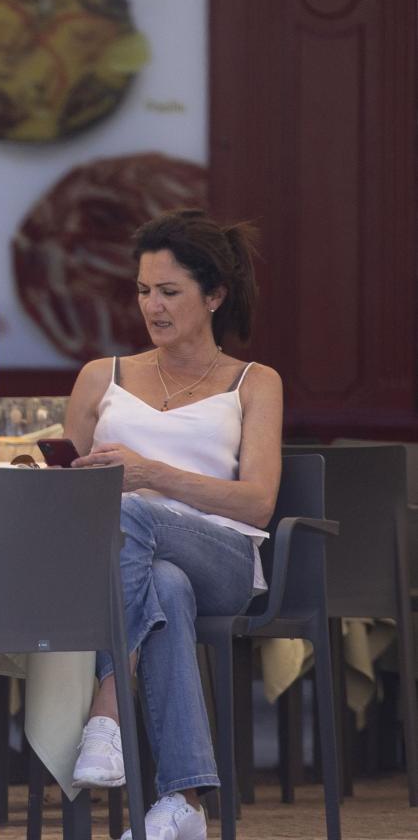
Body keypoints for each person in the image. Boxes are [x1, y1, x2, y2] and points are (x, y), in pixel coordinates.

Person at [63, 210, 279, 840]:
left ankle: (109, 709)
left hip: (225, 556)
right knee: (164, 585)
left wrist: (151, 475)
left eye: (169, 292)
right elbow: (62, 482)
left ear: (214, 296)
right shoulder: (100, 377)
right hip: (127, 565)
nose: (151, 306)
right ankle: (182, 804)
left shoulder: (254, 383)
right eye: (142, 290)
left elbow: (259, 503)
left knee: (131, 509)